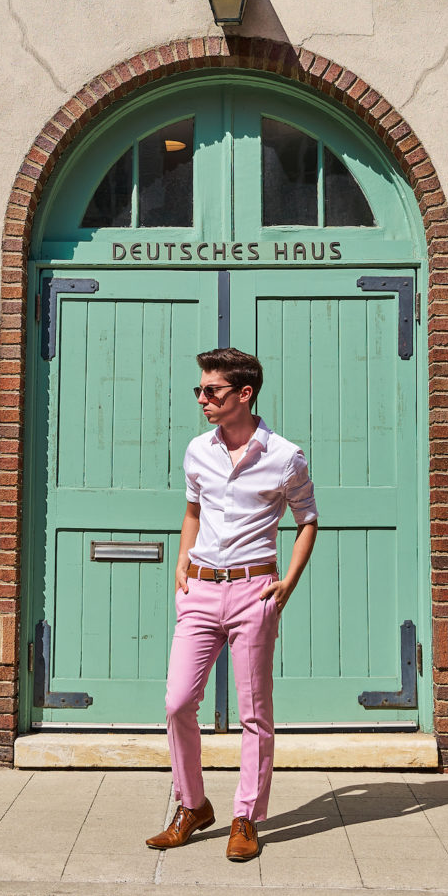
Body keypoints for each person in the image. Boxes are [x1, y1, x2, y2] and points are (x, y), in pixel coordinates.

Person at [146, 347, 318, 861]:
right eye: (199, 390)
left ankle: (246, 817)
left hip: (253, 592)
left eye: (212, 390)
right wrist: (181, 561)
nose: (202, 398)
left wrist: (287, 582)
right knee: (178, 702)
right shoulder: (198, 450)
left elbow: (308, 519)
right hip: (199, 590)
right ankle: (193, 805)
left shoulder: (285, 456)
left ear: (245, 394)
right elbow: (193, 509)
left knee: (253, 714)